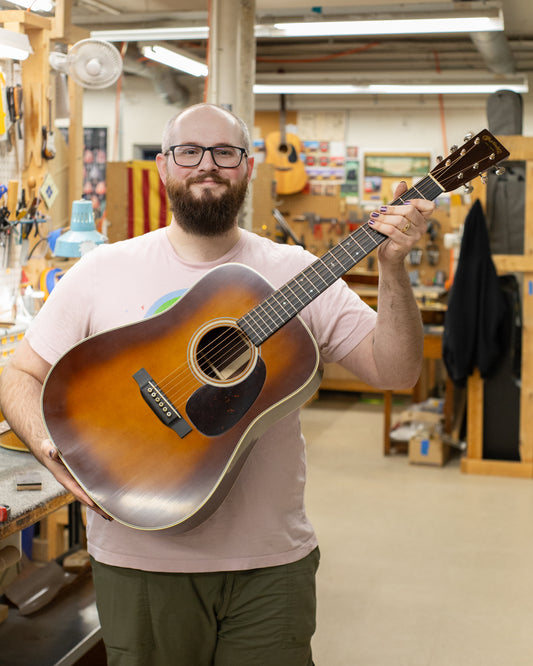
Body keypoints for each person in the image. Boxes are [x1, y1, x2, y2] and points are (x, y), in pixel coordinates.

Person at [0, 103, 434, 665]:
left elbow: (396, 372)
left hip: (270, 564)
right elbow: (19, 372)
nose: (208, 166)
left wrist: (394, 268)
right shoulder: (101, 270)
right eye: (189, 152)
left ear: (247, 166)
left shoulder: (297, 269)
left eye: (225, 152)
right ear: (163, 166)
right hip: (140, 562)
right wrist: (50, 447)